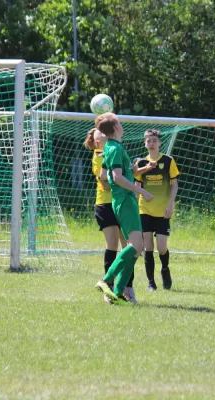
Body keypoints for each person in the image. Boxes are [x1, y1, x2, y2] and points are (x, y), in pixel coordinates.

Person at [93, 113, 154, 305]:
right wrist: (140, 191)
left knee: (137, 249)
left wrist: (139, 170)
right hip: (125, 201)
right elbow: (117, 177)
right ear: (116, 128)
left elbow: (110, 174)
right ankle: (106, 280)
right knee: (135, 246)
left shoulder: (111, 147)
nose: (121, 124)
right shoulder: (114, 148)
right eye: (119, 122)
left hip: (123, 200)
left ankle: (118, 293)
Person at [134, 129, 180, 291]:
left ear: (159, 143)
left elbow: (174, 186)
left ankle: (165, 269)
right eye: (148, 140)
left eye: (154, 140)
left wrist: (170, 204)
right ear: (145, 143)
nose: (151, 143)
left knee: (161, 247)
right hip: (144, 210)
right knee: (148, 247)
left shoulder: (168, 161)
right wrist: (135, 208)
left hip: (163, 211)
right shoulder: (140, 164)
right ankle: (151, 283)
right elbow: (138, 187)